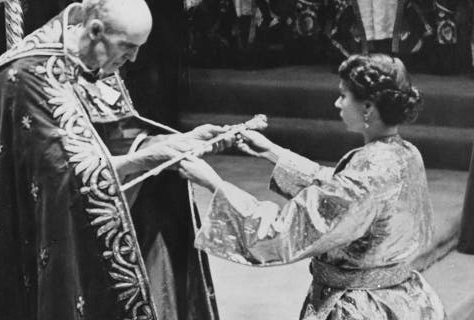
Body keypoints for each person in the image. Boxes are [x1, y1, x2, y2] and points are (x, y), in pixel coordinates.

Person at [0, 0, 221, 319]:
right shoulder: (31, 77)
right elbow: (70, 175)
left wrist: (172, 141)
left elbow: (110, 137)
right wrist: (151, 157)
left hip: (28, 199)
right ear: (95, 31)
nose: (132, 59)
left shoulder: (96, 61)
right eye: (127, 47)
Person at [179, 54, 447, 319]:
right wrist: (273, 153)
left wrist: (213, 183)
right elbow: (338, 193)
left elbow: (284, 231)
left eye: (343, 96)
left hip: (361, 307)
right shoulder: (405, 153)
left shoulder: (367, 172)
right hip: (403, 299)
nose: (337, 103)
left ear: (368, 108)